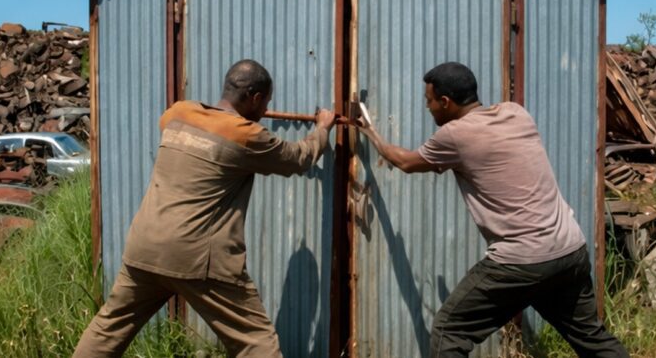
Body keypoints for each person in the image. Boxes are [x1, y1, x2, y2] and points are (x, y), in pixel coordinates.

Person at [357, 62, 628, 358]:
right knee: (591, 337)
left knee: (450, 330)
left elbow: (406, 162)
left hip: (522, 260)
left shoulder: (455, 135)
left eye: (429, 101)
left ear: (445, 102)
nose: (428, 108)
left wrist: (372, 134)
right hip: (569, 249)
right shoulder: (516, 113)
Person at [73, 59, 336, 358]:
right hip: (197, 257)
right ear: (255, 97)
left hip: (145, 247)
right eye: (265, 104)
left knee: (108, 330)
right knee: (255, 341)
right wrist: (322, 129)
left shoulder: (178, 114)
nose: (264, 112)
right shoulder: (246, 135)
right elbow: (298, 158)